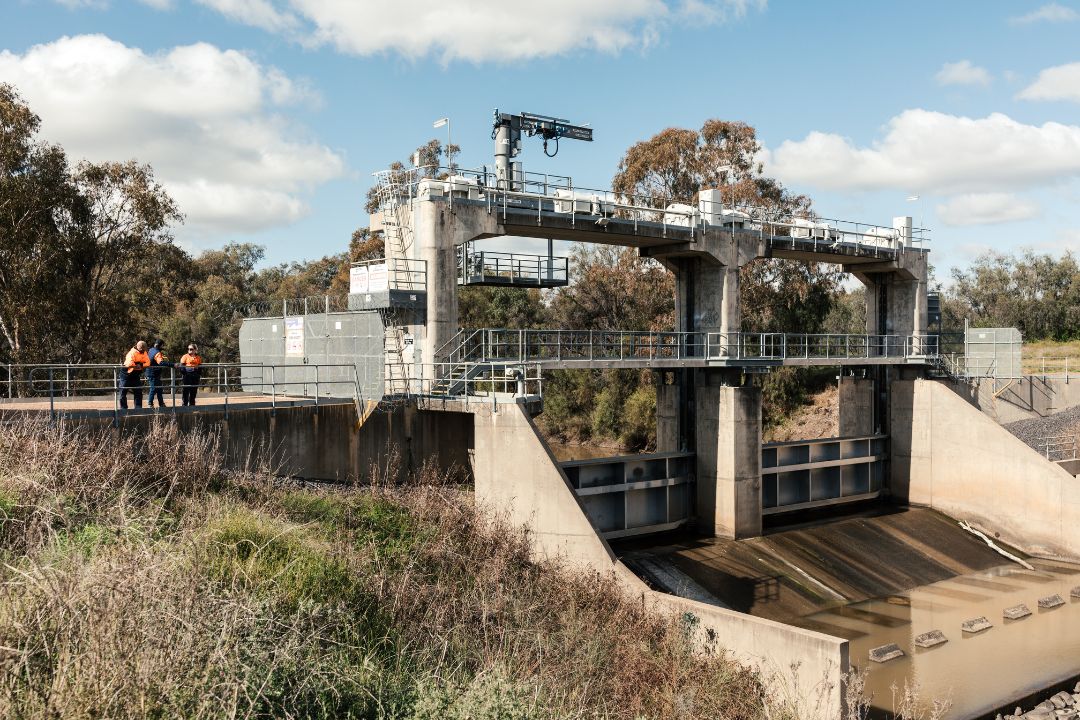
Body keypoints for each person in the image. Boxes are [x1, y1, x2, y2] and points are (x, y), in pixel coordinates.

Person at [120, 340, 150, 409]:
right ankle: (123, 409)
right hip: (126, 374)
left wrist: (141, 365)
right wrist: (137, 365)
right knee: (123, 392)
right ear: (139, 348)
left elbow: (148, 362)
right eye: (142, 350)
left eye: (144, 350)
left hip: (135, 375)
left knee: (138, 391)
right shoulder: (131, 353)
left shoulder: (144, 353)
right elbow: (129, 363)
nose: (144, 351)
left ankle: (138, 408)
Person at [146, 339, 172, 408]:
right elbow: (161, 363)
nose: (163, 347)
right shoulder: (157, 353)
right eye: (162, 345)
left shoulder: (151, 349)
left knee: (159, 389)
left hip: (152, 372)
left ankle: (161, 403)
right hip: (153, 373)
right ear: (159, 345)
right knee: (153, 388)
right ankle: (150, 403)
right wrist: (172, 364)